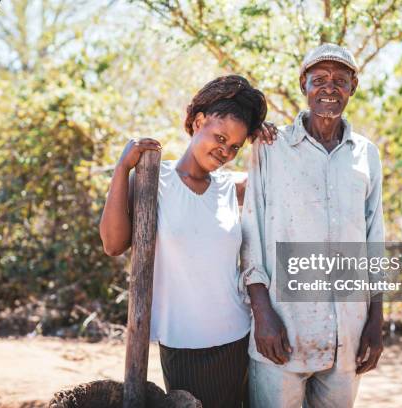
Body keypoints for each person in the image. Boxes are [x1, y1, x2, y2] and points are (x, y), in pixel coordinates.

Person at [99, 75, 276, 408]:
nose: (225, 151)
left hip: (240, 338)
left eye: (235, 146)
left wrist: (267, 141)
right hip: (184, 344)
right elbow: (113, 243)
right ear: (198, 122)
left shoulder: (231, 187)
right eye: (220, 137)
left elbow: (282, 184)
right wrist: (123, 168)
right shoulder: (153, 178)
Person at [240, 43, 385, 407]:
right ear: (304, 85)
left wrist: (376, 319)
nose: (329, 88)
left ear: (353, 87)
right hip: (283, 327)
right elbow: (251, 230)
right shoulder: (272, 147)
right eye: (319, 79)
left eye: (340, 80)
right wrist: (262, 312)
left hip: (348, 330)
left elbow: (374, 236)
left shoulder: (365, 153)